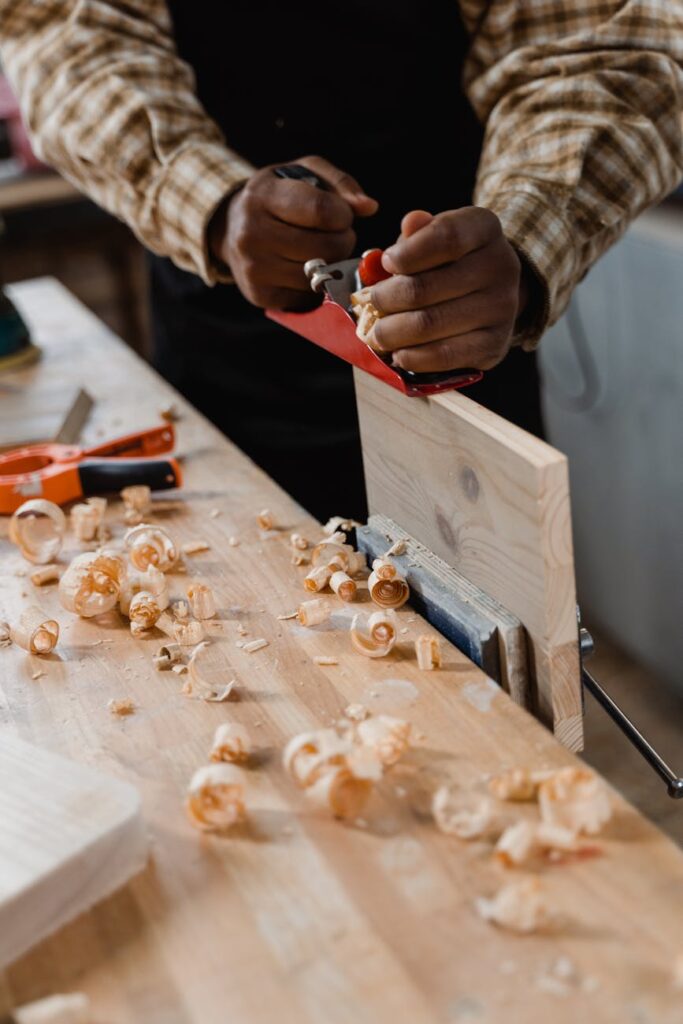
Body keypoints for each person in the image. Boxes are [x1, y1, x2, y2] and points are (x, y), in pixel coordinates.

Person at [1, 2, 681, 520]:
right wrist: (209, 201)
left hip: (468, 328)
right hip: (220, 355)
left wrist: (526, 235)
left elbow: (608, 47)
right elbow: (63, 33)